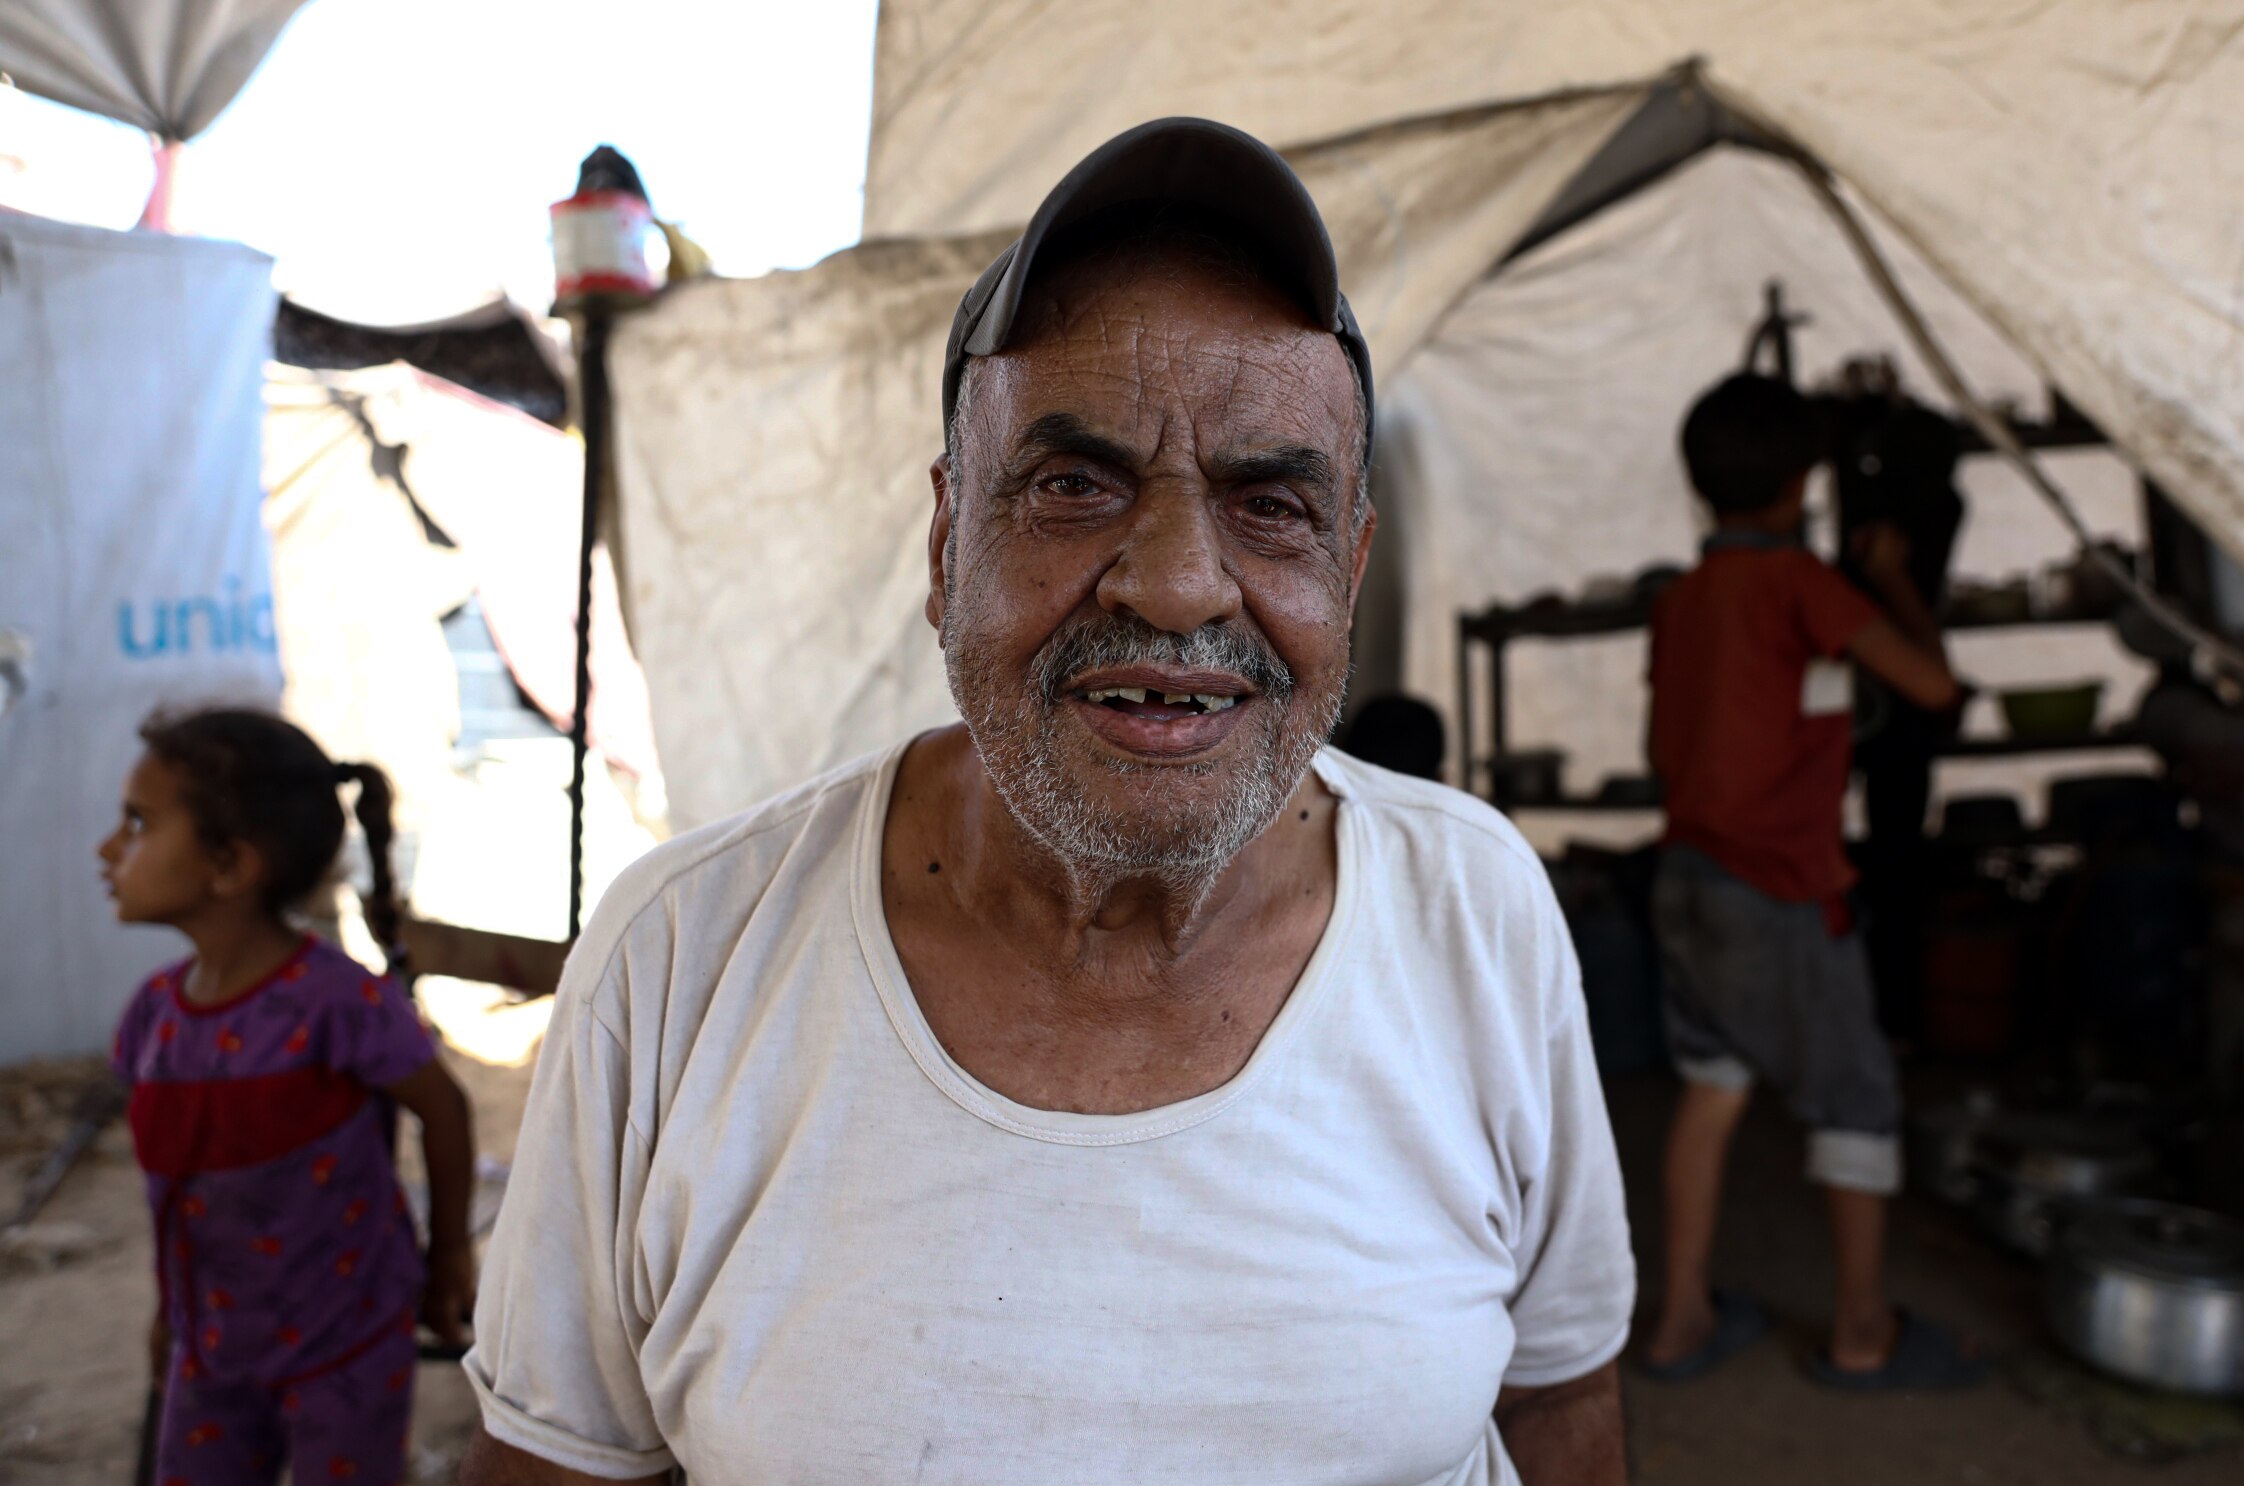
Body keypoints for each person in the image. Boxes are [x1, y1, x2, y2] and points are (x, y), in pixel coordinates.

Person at [460, 118, 1633, 1486]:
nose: (1181, 583)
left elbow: (1560, 1406)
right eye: (1074, 485)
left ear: (1351, 565)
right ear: (949, 540)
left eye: (1271, 503)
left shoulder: (1474, 905)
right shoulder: (681, 957)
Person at [1639, 373, 1980, 1389]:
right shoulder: (1801, 584)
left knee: (1712, 1088)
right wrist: (1893, 580)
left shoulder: (1682, 599)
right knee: (1856, 1099)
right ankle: (1864, 1332)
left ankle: (1682, 1317)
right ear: (1802, 485)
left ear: (1703, 489)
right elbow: (1937, 688)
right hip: (1778, 886)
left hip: (1688, 879)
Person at [101, 708, 477, 1486]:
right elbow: (183, 1196)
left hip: (345, 1345)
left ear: (230, 865)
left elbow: (444, 1109)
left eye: (137, 823)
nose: (109, 849)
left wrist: (447, 1259)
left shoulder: (335, 1003)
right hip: (211, 1351)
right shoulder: (152, 1019)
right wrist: (170, 1315)